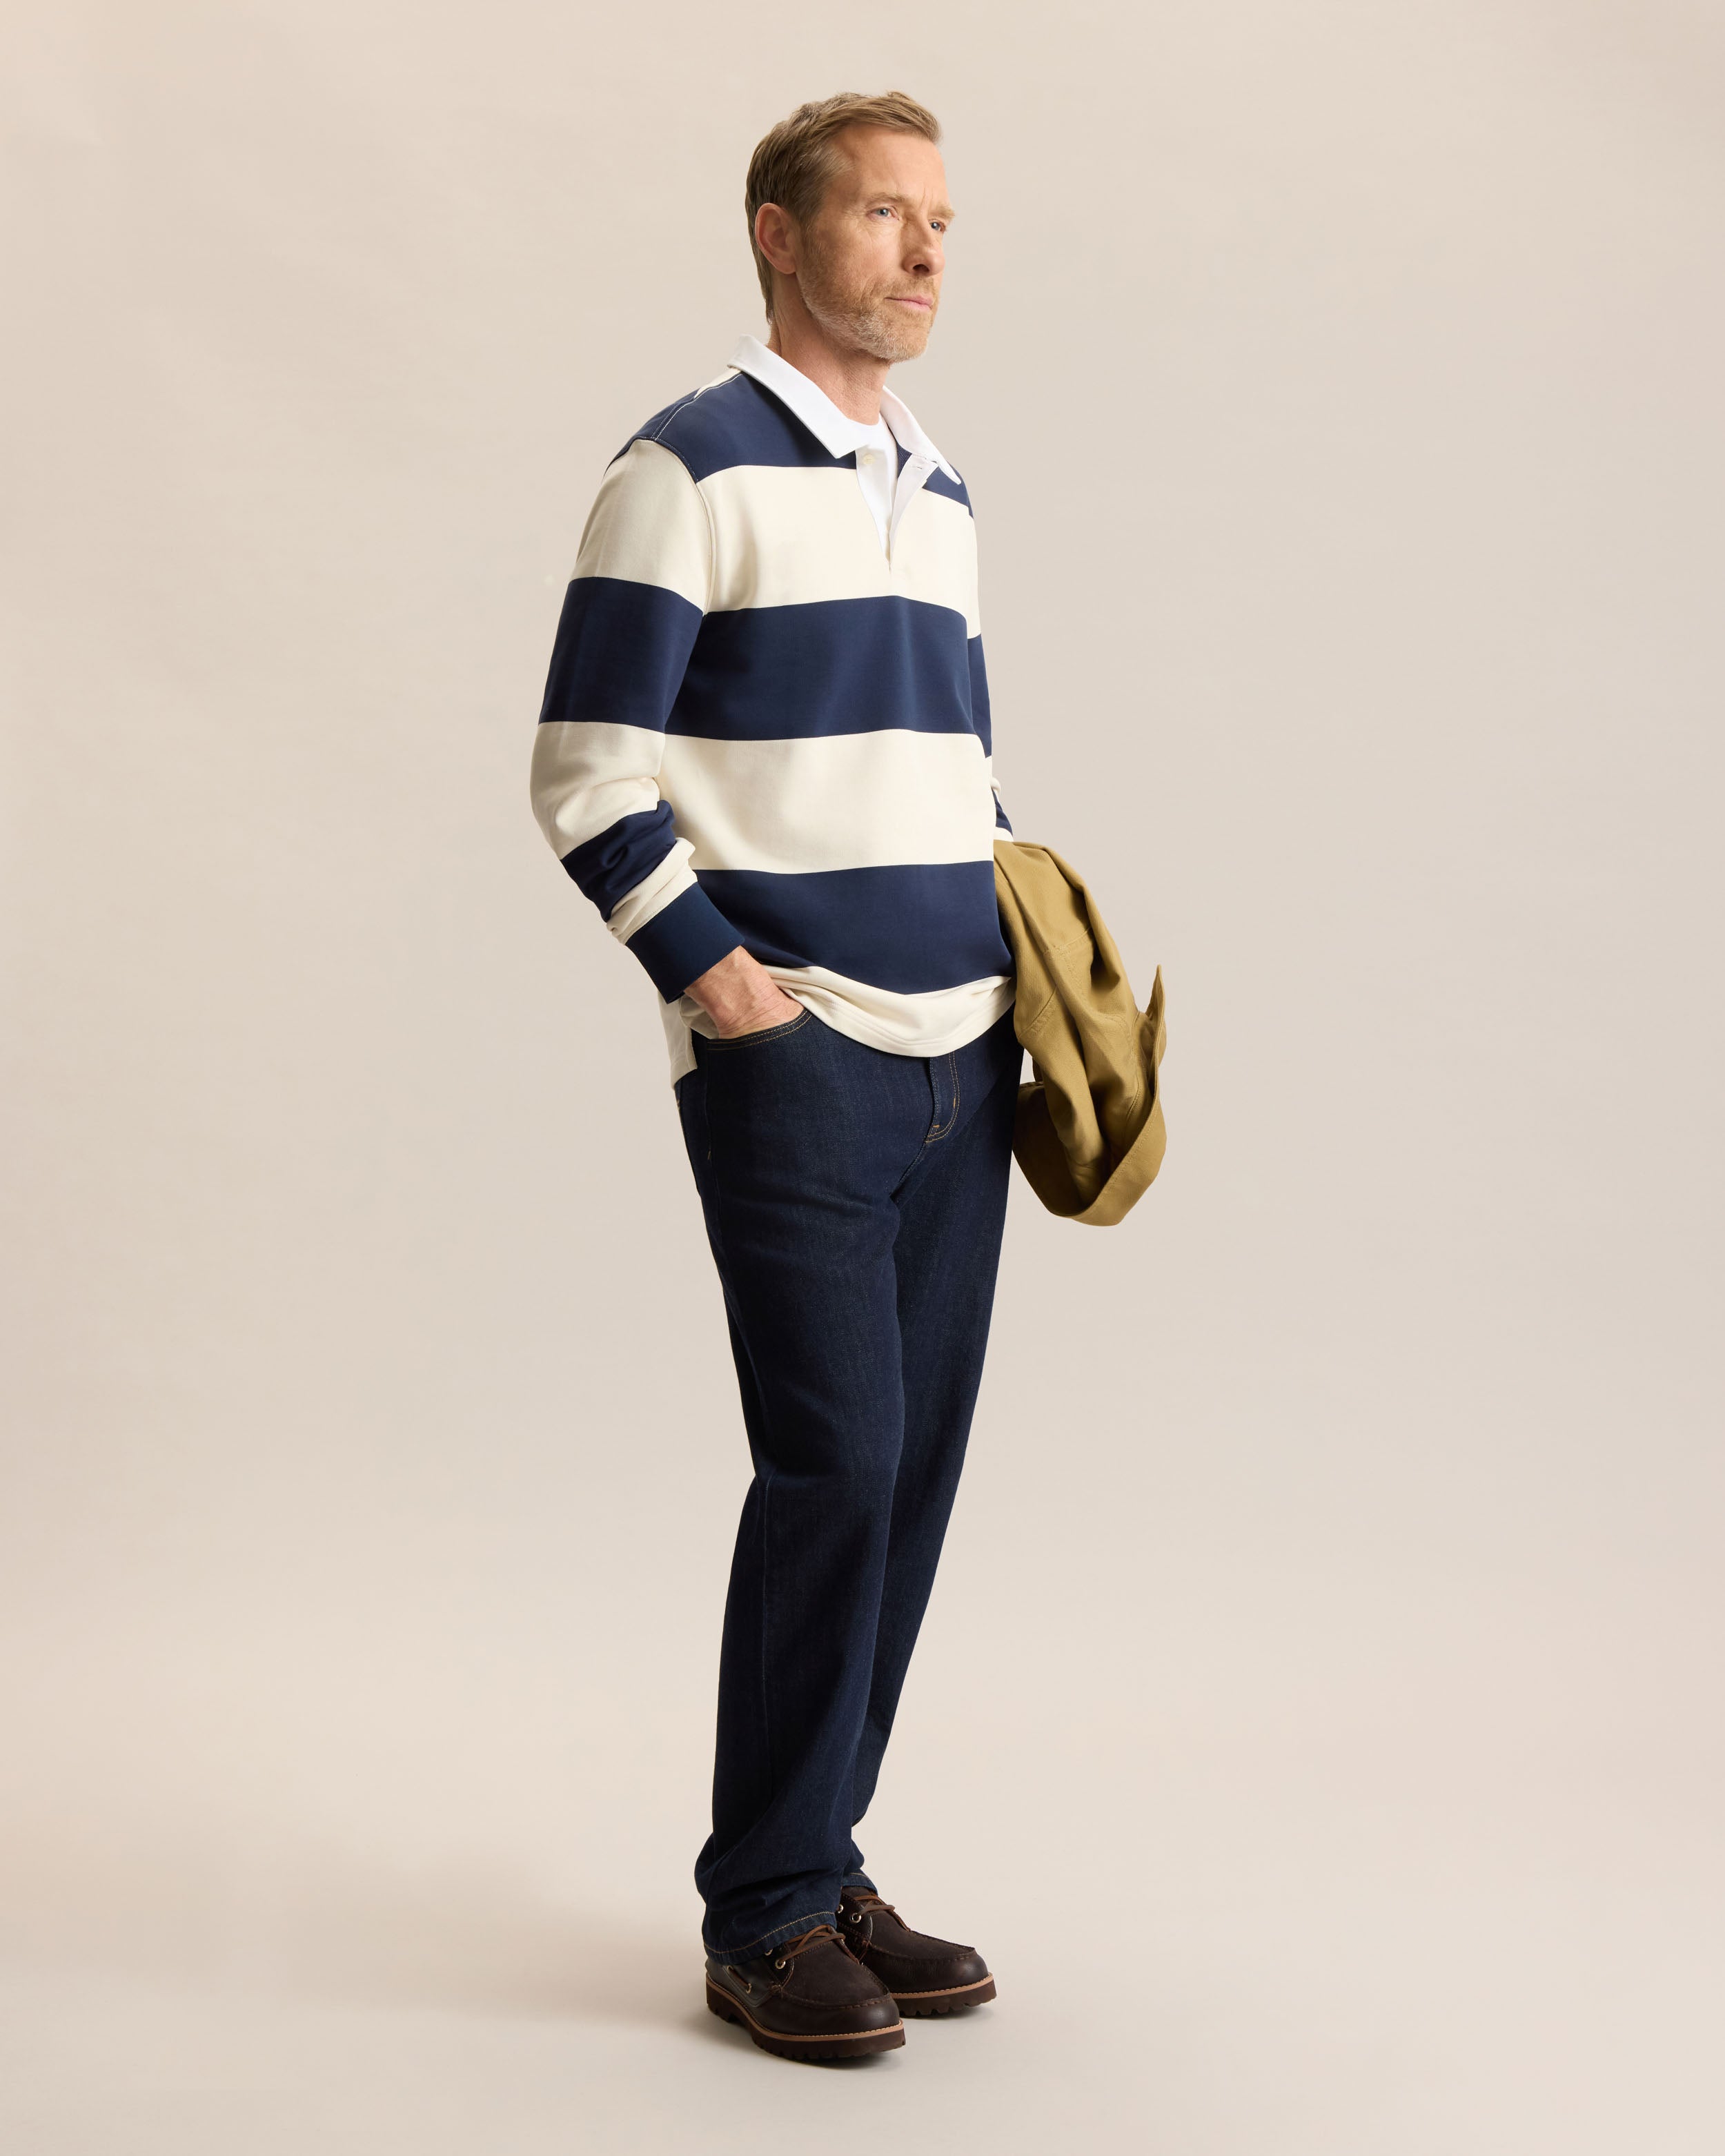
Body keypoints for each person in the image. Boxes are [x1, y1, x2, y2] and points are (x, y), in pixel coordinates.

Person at [531, 90, 1019, 2064]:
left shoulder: (943, 487)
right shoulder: (687, 466)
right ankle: (763, 1913)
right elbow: (585, 770)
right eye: (884, 214)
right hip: (799, 1056)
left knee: (911, 1477)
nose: (925, 250)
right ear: (778, 233)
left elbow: (951, 762)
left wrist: (1031, 953)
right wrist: (725, 990)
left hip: (970, 1060)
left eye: (940, 219)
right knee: (835, 1462)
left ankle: (824, 1860)